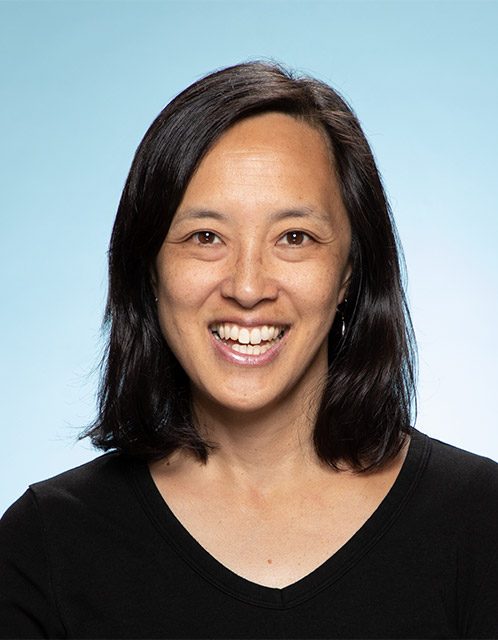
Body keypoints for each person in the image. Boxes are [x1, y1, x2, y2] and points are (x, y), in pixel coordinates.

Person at [1, 61, 497, 639]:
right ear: (149, 270)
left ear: (349, 275)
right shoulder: (47, 547)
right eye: (205, 237)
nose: (247, 286)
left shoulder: (481, 524)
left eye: (295, 237)